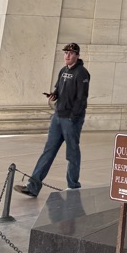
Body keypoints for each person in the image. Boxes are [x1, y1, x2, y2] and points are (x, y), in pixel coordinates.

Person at [15, 43, 90, 196]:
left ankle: (73, 186)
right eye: (66, 53)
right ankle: (33, 186)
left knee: (72, 153)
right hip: (58, 117)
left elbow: (82, 99)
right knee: (48, 151)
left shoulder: (82, 73)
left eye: (70, 53)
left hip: (71, 119)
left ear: (77, 55)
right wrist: (54, 95)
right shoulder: (63, 71)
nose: (67, 56)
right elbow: (59, 89)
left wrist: (73, 117)